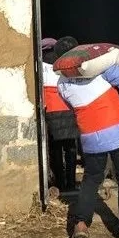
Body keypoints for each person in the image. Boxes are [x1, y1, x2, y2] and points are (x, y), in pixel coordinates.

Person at [54, 36, 119, 238]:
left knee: (91, 180)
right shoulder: (100, 69)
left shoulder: (62, 82)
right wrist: (110, 61)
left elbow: (70, 103)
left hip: (90, 135)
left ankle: (81, 224)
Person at [41, 38, 79, 193]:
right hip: (69, 108)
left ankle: (60, 182)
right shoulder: (66, 64)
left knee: (55, 149)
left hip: (51, 111)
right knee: (70, 148)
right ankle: (71, 183)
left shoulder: (41, 65)